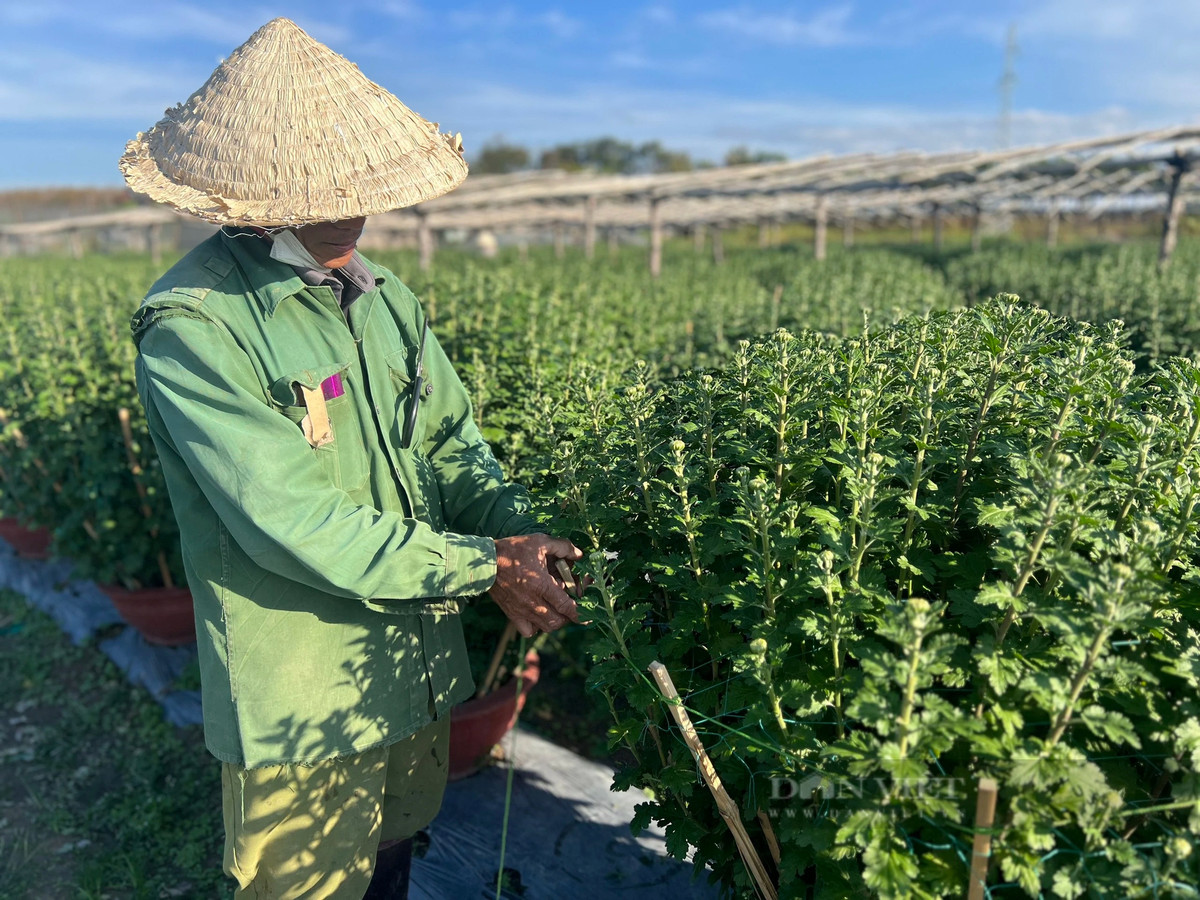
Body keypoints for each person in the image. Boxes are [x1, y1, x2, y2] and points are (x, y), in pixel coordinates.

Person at [119, 18, 582, 900]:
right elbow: (291, 519)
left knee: (394, 853)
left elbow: (449, 441)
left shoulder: (384, 299)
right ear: (253, 198)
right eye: (327, 192)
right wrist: (483, 567)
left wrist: (516, 533)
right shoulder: (196, 326)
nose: (354, 213)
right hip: (301, 689)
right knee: (307, 887)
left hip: (405, 664)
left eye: (362, 188)